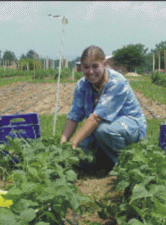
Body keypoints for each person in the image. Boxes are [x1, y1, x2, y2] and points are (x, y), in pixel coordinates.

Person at [60, 45, 147, 173]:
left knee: (104, 130)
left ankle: (124, 164)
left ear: (104, 64)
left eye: (95, 66)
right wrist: (63, 142)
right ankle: (104, 159)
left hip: (128, 127)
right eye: (86, 67)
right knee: (81, 159)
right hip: (99, 128)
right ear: (81, 67)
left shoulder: (116, 82)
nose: (91, 71)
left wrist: (73, 143)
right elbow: (74, 116)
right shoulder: (82, 85)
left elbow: (96, 118)